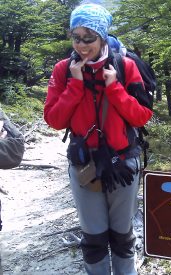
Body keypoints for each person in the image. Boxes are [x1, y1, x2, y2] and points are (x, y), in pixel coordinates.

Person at [44, 4, 152, 275]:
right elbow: (54, 120)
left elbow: (141, 116)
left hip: (123, 164)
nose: (81, 45)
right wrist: (76, 85)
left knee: (122, 235)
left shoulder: (125, 67)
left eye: (88, 38)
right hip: (84, 165)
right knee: (93, 239)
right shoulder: (63, 70)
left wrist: (113, 87)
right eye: (76, 37)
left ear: (103, 36)